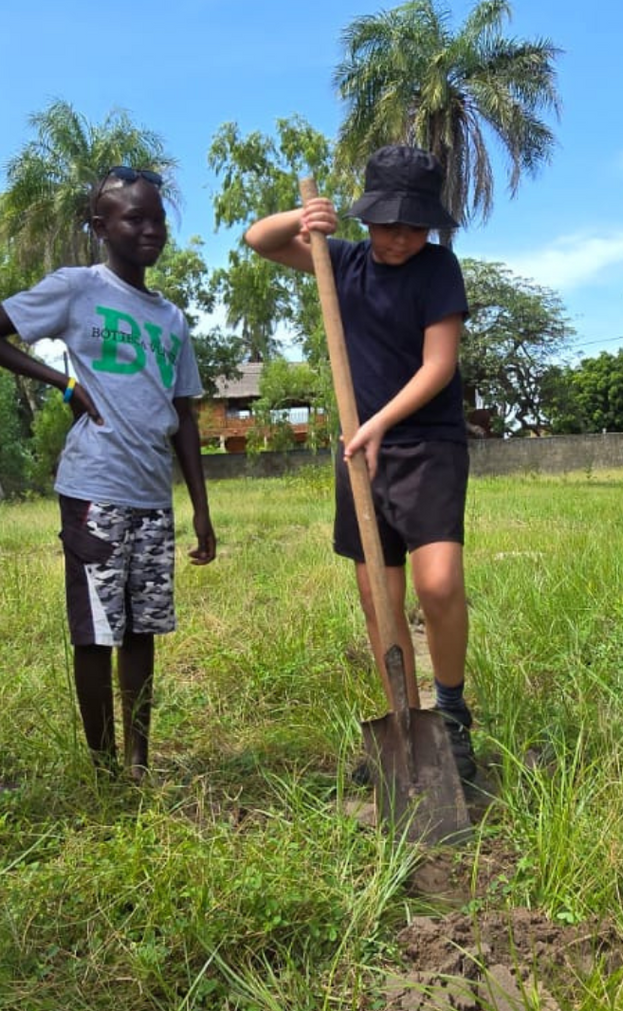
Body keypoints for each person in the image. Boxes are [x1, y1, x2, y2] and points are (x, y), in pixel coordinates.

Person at [0, 166, 216, 780]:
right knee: (97, 631)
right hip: (93, 489)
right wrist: (64, 383)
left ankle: (137, 761)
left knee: (141, 629)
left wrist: (201, 510)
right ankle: (103, 769)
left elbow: (184, 416)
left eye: (158, 219)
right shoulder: (78, 288)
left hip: (152, 496)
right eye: (135, 218)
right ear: (101, 228)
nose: (151, 229)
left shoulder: (172, 319)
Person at [244, 145, 478, 785]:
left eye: (414, 225)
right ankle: (404, 723)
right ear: (366, 217)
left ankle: (451, 715)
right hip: (361, 456)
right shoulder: (339, 260)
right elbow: (259, 239)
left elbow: (439, 365)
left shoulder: (438, 269)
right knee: (380, 597)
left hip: (426, 445)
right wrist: (302, 218)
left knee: (438, 584)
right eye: (387, 223)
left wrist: (378, 424)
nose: (400, 238)